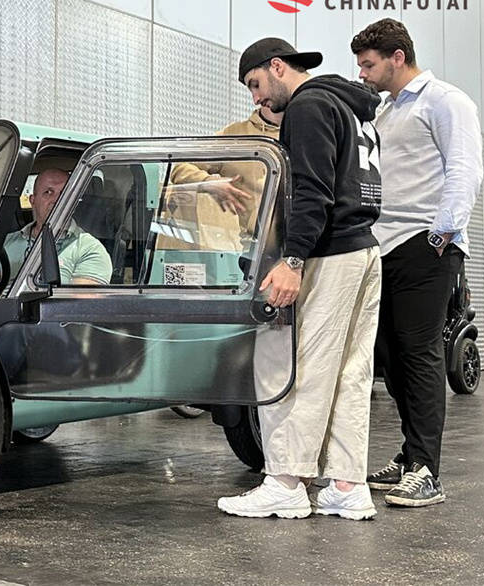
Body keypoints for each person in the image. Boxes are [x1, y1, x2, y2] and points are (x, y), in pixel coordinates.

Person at [217, 38, 382, 521]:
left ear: (277, 66)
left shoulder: (308, 107)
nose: (256, 98)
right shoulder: (353, 108)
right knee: (350, 372)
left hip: (327, 253)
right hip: (363, 248)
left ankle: (286, 482)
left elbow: (312, 190)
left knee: (293, 366)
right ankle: (347, 485)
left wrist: (292, 259)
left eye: (255, 84)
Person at [352, 18, 483, 507]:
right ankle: (410, 455)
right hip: (383, 244)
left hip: (425, 244)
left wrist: (441, 235)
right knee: (389, 356)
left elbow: (465, 169)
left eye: (369, 65)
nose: (362, 74)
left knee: (420, 352)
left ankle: (427, 470)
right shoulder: (385, 111)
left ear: (397, 57)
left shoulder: (445, 100)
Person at [162, 106, 282, 251]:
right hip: (254, 250)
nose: (256, 98)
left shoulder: (301, 133)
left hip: (297, 244)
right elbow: (181, 167)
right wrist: (208, 182)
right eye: (252, 92)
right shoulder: (234, 136)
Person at [1, 169, 112, 288]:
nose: (56, 200)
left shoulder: (89, 249)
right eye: (48, 192)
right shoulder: (5, 243)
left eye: (63, 193)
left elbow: (78, 299)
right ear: (32, 200)